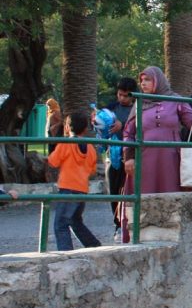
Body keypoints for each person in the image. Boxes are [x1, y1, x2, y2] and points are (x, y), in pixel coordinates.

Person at [122, 66, 192, 198]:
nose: (143, 83)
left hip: (171, 160)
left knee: (172, 198)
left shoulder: (175, 100)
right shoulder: (139, 103)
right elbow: (128, 133)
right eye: (141, 80)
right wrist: (129, 158)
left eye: (147, 79)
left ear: (158, 80)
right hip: (145, 160)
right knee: (144, 200)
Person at [47, 109, 101, 252]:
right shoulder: (90, 147)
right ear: (85, 129)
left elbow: (53, 161)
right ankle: (94, 246)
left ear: (66, 127)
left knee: (61, 224)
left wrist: (54, 143)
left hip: (67, 189)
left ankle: (66, 254)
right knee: (75, 221)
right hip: (82, 189)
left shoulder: (65, 144)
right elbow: (92, 169)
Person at [102, 77, 137, 235]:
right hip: (113, 156)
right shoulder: (112, 108)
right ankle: (117, 224)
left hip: (130, 156)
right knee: (114, 191)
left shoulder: (138, 109)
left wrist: (122, 127)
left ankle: (129, 222)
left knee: (129, 191)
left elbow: (137, 131)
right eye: (119, 94)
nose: (121, 98)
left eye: (125, 95)